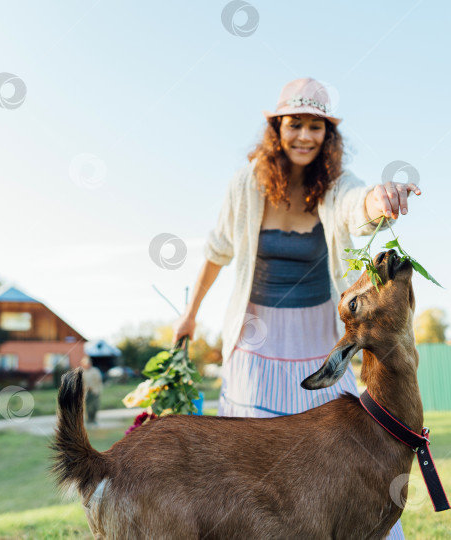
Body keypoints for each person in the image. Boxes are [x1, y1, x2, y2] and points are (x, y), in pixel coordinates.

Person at [173, 78, 420, 539]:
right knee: (249, 473)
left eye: (315, 126)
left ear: (328, 135)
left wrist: (381, 200)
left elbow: (357, 208)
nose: (305, 136)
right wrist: (190, 314)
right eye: (295, 124)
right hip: (253, 341)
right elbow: (217, 250)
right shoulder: (246, 185)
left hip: (319, 341)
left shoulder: (337, 186)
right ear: (277, 128)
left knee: (342, 459)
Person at [80, 356, 103, 425]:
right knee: (87, 408)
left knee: (95, 406)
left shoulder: (95, 370)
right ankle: (88, 421)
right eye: (86, 363)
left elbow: (99, 381)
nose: (88, 365)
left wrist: (98, 389)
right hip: (85, 392)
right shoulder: (81, 372)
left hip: (95, 391)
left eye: (89, 363)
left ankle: (94, 419)